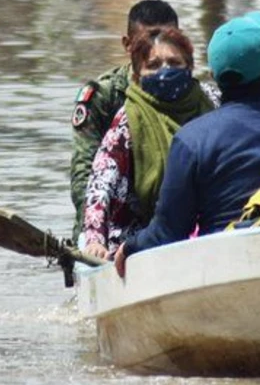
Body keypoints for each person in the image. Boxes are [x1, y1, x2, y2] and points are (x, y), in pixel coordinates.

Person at [113, 11, 260, 274]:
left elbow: (168, 232)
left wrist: (130, 247)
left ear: (214, 76)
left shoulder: (192, 141)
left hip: (223, 271)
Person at [81, 26, 215, 259]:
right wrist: (95, 240)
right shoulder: (129, 119)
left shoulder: (211, 104)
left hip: (209, 231)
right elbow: (100, 184)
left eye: (174, 63)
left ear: (190, 67)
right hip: (141, 239)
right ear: (136, 75)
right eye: (153, 66)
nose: (165, 71)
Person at [70, 0, 181, 236]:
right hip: (111, 223)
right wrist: (93, 235)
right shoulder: (103, 97)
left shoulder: (192, 96)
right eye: (147, 43)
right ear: (128, 45)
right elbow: (84, 175)